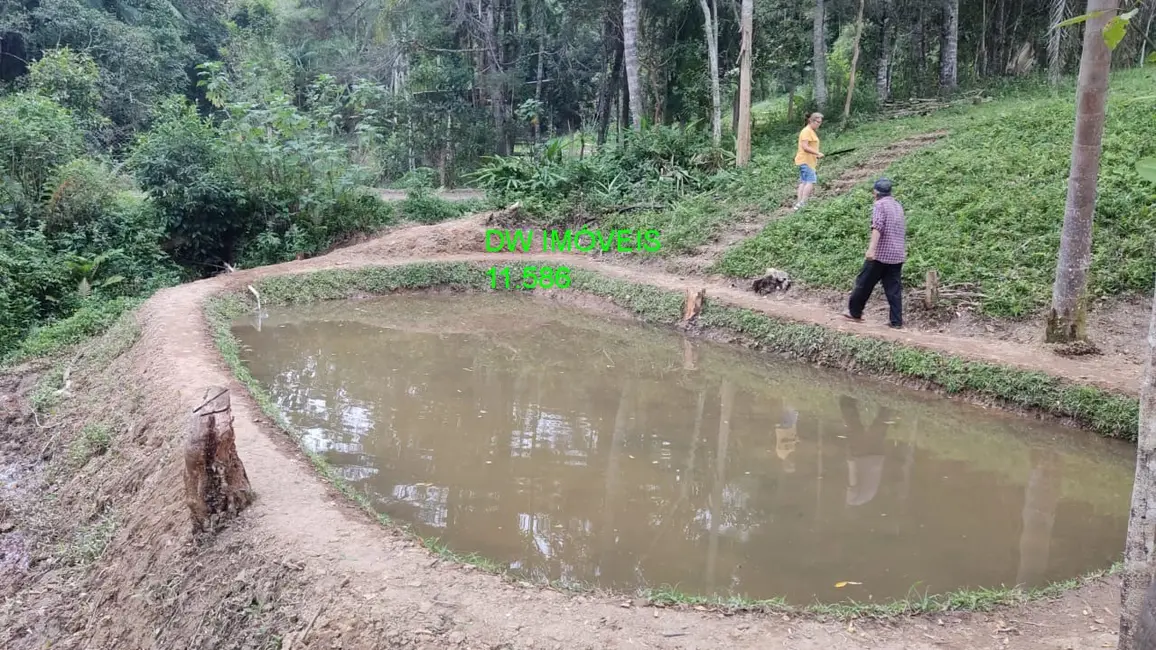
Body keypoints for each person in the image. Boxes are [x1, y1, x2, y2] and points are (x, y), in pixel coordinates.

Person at [844, 178, 906, 329]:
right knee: (894, 289)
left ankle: (855, 312)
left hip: (880, 254)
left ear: (875, 192)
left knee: (863, 283)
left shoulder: (879, 205)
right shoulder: (898, 205)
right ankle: (896, 321)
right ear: (890, 191)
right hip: (897, 254)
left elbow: (877, 227)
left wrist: (871, 249)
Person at [793, 113, 823, 211]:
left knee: (804, 182)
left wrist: (815, 155)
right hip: (806, 161)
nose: (819, 124)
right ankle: (803, 202)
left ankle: (799, 203)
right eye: (818, 122)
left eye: (820, 122)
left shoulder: (811, 131)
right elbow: (805, 147)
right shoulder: (806, 131)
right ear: (811, 121)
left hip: (808, 160)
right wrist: (817, 153)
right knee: (810, 181)